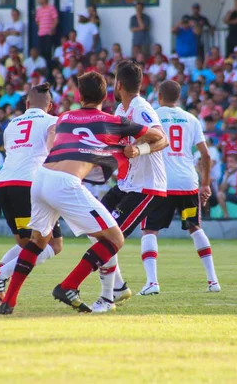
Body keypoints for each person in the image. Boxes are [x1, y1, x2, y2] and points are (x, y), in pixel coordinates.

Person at [0, 71, 164, 315]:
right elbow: (159, 136)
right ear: (106, 94)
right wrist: (137, 147)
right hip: (65, 183)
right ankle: (69, 285)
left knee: (37, 242)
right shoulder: (111, 120)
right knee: (114, 239)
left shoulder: (63, 117)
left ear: (78, 95)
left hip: (40, 179)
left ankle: (8, 300)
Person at [90, 60, 168, 313]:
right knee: (94, 223)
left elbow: (162, 138)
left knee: (110, 237)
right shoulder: (122, 110)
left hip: (145, 186)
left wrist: (140, 148)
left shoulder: (140, 107)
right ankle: (120, 286)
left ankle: (107, 298)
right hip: (127, 184)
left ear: (118, 84)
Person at [0, 83, 63, 307]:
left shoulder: (11, 124)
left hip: (5, 184)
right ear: (50, 106)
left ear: (26, 104)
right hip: (31, 185)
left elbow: (13, 152)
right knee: (52, 245)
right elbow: (51, 149)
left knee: (27, 244)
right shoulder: (52, 121)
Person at [139, 80, 220, 295]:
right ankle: (213, 281)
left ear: (159, 96)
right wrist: (205, 184)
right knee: (195, 228)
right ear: (178, 97)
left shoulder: (153, 116)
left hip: (160, 184)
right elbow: (206, 154)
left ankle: (152, 282)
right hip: (187, 183)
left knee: (149, 230)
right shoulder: (191, 118)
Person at [35, 0, 59, 64]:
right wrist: (41, 27)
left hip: (48, 33)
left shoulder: (51, 8)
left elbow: (56, 20)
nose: (39, 0)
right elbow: (37, 20)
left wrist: (52, 29)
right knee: (41, 51)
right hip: (41, 33)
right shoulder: (39, 10)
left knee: (48, 52)